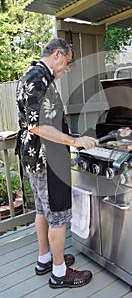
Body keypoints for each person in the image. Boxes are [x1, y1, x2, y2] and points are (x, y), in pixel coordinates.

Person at [16, 37, 98, 289]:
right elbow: (38, 126)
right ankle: (60, 273)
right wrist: (74, 143)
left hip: (34, 158)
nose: (68, 68)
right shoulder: (39, 79)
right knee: (58, 218)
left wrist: (72, 138)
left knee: (42, 210)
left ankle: (46, 259)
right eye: (68, 62)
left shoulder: (31, 74)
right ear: (58, 55)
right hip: (47, 159)